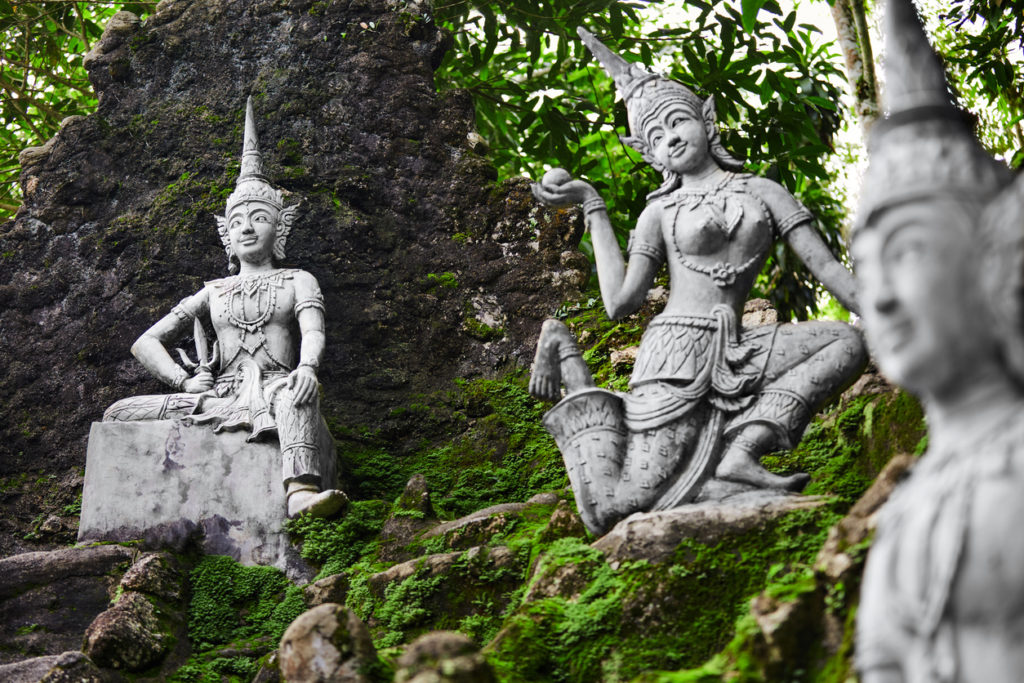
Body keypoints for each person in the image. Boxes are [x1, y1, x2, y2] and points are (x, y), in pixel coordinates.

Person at [529, 29, 866, 535]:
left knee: (844, 341)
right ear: (649, 153)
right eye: (658, 135)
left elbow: (827, 269)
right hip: (675, 357)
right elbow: (621, 303)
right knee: (622, 503)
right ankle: (567, 355)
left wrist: (895, 310)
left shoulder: (762, 190)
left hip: (743, 348)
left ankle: (743, 453)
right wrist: (591, 204)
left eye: (679, 120)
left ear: (706, 120)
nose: (673, 136)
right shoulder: (658, 212)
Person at [853, 1, 1024, 681]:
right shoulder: (906, 510)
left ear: (997, 261)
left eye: (908, 252)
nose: (882, 296)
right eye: (866, 271)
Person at [103, 98, 346, 519]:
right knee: (117, 412)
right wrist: (183, 381)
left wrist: (306, 368)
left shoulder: (298, 279)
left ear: (280, 226)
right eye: (236, 223)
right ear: (226, 237)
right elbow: (146, 343)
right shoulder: (212, 291)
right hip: (217, 398)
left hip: (276, 390)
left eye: (258, 218)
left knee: (297, 397)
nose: (247, 228)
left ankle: (301, 491)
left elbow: (313, 331)